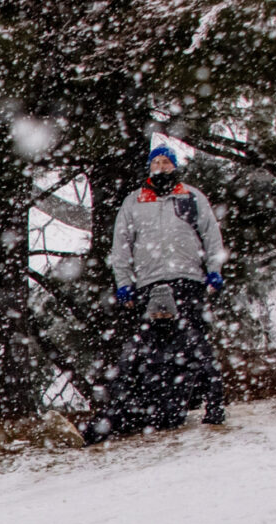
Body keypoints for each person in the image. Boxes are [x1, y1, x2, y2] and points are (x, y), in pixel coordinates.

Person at [87, 146, 229, 443]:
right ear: (149, 168)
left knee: (196, 343)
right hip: (149, 284)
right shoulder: (135, 201)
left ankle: (214, 405)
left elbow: (212, 236)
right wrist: (123, 282)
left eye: (166, 162)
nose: (161, 167)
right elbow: (121, 245)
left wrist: (214, 269)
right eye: (156, 162)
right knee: (148, 351)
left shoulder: (191, 196)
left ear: (174, 167)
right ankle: (157, 409)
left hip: (188, 280)